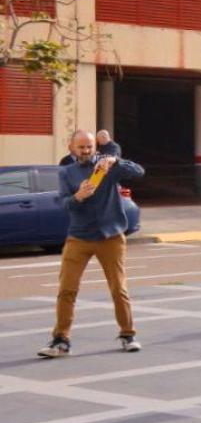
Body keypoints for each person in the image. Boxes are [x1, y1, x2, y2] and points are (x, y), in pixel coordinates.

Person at [38, 131, 147, 358]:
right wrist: (78, 196)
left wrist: (116, 160)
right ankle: (61, 340)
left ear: (94, 148)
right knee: (67, 290)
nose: (86, 151)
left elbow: (139, 172)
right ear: (71, 148)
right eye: (81, 147)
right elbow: (64, 204)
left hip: (111, 237)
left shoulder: (107, 166)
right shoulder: (67, 172)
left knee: (119, 289)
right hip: (79, 238)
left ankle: (128, 335)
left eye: (89, 147)